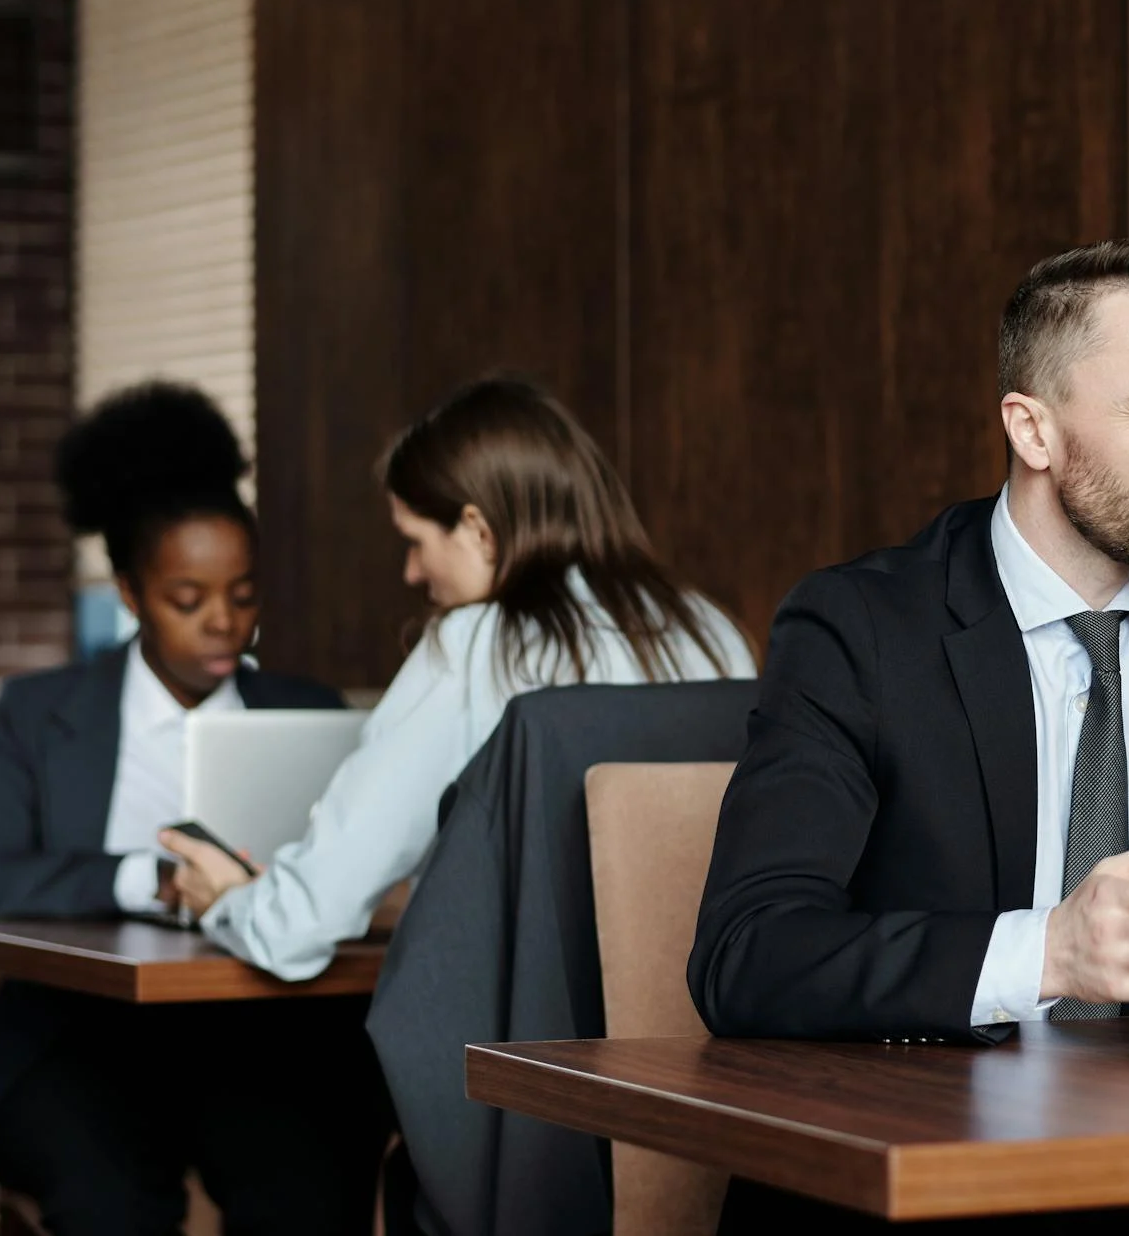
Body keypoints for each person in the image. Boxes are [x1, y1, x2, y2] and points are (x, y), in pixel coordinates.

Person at [689, 239, 1129, 1230]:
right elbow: (748, 954)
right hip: (919, 1178)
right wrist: (1046, 958)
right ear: (1032, 429)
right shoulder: (860, 628)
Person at [162, 376, 756, 980]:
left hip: (515, 1051)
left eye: (416, 541)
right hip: (690, 1029)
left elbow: (299, 925)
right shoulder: (711, 631)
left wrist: (229, 900)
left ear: (477, 530)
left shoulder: (475, 646)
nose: (412, 571)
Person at [0, 382, 387, 1235]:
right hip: (77, 1037)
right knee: (111, 1201)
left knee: (308, 1189)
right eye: (188, 599)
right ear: (132, 595)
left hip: (259, 1032)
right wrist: (146, 878)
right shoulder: (36, 712)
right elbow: (3, 872)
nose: (224, 624)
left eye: (244, 596)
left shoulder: (308, 709)